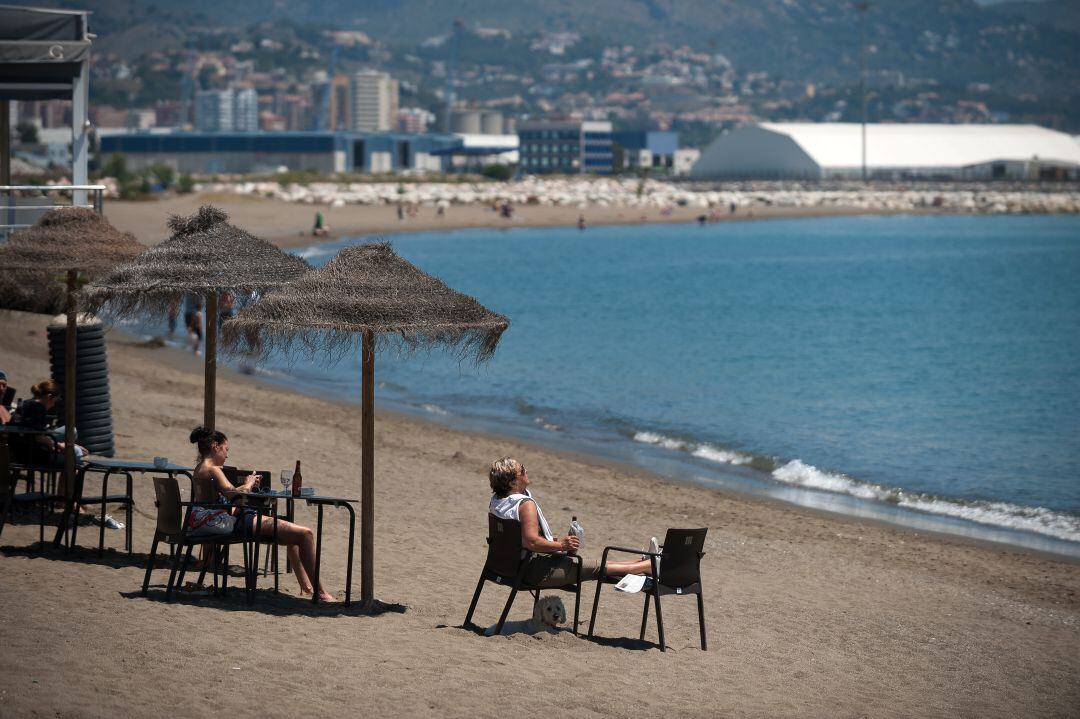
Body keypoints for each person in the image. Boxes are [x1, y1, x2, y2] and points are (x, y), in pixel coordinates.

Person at [189, 427, 335, 602]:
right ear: (215, 446)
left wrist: (245, 487)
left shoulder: (199, 469)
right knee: (306, 534)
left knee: (295, 536)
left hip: (224, 520)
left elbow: (228, 495)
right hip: (237, 522)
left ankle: (307, 589)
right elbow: (235, 496)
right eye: (226, 449)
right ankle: (321, 593)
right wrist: (249, 484)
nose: (227, 455)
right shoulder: (213, 469)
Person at [487, 457, 656, 588]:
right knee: (595, 566)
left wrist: (552, 543)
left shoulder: (497, 502)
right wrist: (561, 545)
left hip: (506, 566)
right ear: (513, 482)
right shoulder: (524, 505)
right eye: (522, 469)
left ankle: (642, 561)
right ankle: (649, 566)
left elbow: (519, 540)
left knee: (591, 563)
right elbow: (531, 542)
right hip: (533, 571)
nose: (526, 471)